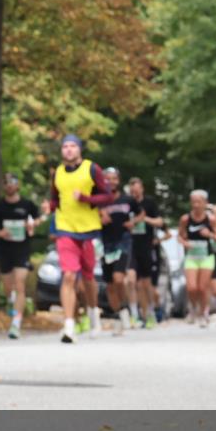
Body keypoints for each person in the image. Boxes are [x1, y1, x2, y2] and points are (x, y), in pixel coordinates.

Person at [49, 135, 113, 343]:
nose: (68, 150)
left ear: (80, 149)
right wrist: (49, 208)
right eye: (65, 146)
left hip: (89, 230)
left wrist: (87, 199)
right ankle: (69, 325)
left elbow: (107, 196)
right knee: (68, 276)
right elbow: (54, 198)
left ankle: (94, 315)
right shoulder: (57, 172)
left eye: (72, 146)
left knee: (87, 279)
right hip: (65, 229)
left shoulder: (92, 169)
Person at [0, 173, 41, 339]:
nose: (10, 185)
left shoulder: (27, 205)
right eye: (6, 183)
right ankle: (11, 299)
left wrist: (31, 225)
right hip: (4, 249)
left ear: (18, 185)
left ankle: (16, 322)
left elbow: (37, 220)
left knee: (20, 282)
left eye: (13, 182)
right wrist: (0, 233)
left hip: (22, 248)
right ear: (3, 186)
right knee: (9, 286)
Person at [99, 168, 140, 336]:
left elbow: (140, 214)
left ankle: (125, 311)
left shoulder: (128, 199)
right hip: (105, 244)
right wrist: (100, 217)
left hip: (123, 241)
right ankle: (120, 314)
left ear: (118, 181)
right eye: (107, 179)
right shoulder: (99, 201)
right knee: (109, 285)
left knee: (118, 278)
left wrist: (134, 222)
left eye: (114, 178)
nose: (110, 182)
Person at [178, 190, 216, 327]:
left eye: (199, 202)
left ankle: (203, 313)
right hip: (191, 256)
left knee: (202, 288)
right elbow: (179, 236)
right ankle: (193, 308)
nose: (196, 205)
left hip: (206, 257)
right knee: (191, 288)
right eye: (193, 202)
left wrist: (210, 235)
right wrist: (184, 243)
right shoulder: (185, 219)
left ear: (205, 203)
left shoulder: (211, 219)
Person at [127, 177, 163, 329]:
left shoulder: (149, 203)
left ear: (142, 189)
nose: (134, 194)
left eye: (137, 190)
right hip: (130, 246)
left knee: (145, 284)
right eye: (132, 191)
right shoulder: (126, 204)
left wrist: (144, 218)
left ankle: (149, 312)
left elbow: (160, 222)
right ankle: (134, 314)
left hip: (146, 247)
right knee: (130, 280)